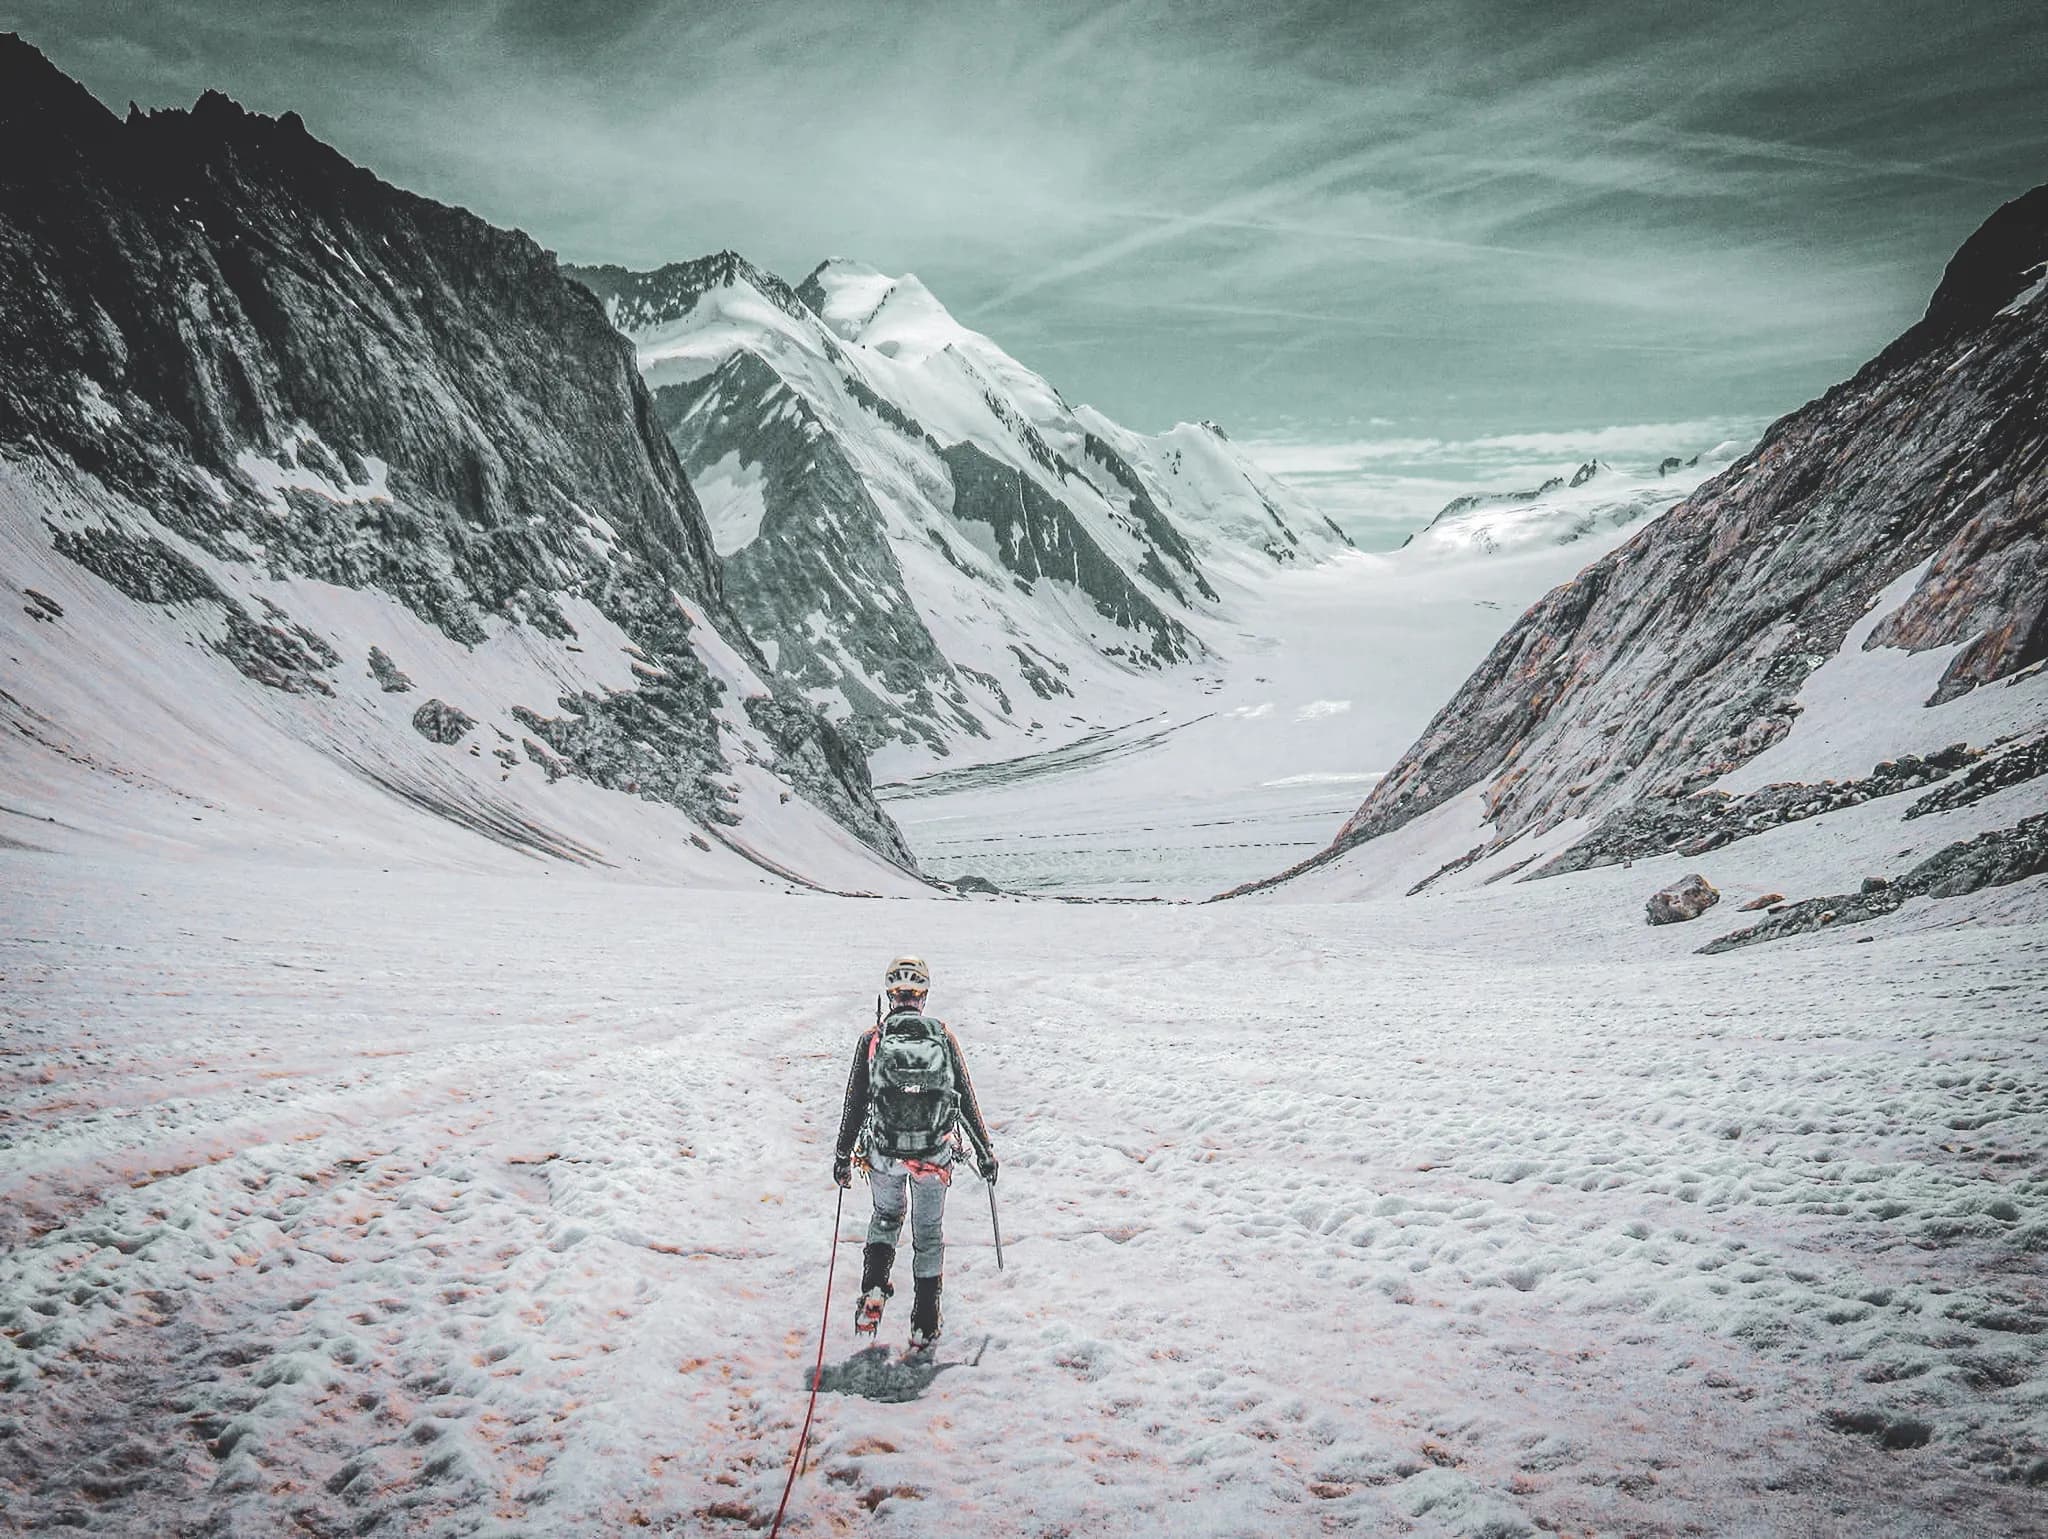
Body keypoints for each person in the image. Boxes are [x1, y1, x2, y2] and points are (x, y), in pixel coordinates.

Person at [832, 955, 997, 1350]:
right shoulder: (940, 1034)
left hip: (884, 1150)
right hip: (933, 1153)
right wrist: (984, 1150)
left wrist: (842, 1156)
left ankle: (873, 1287)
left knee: (886, 1217)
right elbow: (965, 1098)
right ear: (924, 994)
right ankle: (924, 1322)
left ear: (891, 994)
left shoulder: (873, 1038)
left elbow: (855, 1103)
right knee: (928, 1233)